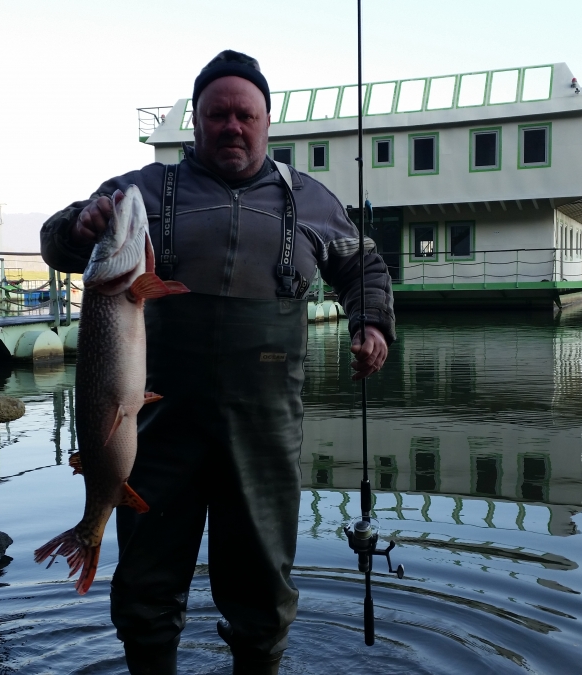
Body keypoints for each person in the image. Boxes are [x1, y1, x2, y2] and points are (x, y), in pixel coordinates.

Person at [39, 50, 395, 675]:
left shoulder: (309, 201)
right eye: (217, 115)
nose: (233, 126)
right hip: (153, 429)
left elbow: (361, 264)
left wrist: (370, 321)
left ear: (266, 121)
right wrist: (77, 226)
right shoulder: (141, 192)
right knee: (148, 577)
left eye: (245, 115)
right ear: (197, 123)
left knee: (261, 579)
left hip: (265, 432)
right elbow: (60, 243)